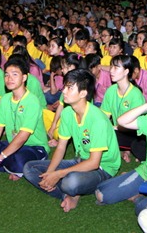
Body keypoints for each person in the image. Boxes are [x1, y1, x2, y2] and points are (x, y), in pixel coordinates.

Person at [23, 69, 120, 213]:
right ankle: (67, 195)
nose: (64, 91)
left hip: (102, 168)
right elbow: (61, 147)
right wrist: (50, 174)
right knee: (29, 168)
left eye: (69, 88)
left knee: (70, 182)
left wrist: (59, 174)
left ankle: (72, 190)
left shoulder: (97, 119)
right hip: (80, 160)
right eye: (65, 87)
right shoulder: (68, 113)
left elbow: (94, 163)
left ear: (83, 93)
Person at [0, 55, 49, 180]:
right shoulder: (5, 99)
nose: (9, 78)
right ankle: (13, 168)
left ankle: (8, 164)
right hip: (11, 144)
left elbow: (23, 136)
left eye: (14, 74)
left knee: (18, 159)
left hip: (33, 147)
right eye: (7, 75)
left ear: (24, 77)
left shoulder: (32, 101)